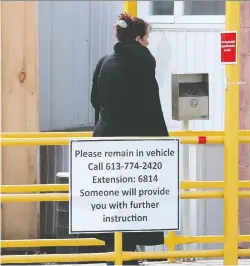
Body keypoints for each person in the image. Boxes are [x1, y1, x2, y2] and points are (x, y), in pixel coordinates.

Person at [88, 12, 168, 265]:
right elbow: (151, 107)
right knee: (136, 204)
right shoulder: (145, 65)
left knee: (111, 204)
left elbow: (95, 101)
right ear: (138, 39)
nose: (148, 43)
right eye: (147, 38)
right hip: (137, 145)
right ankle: (129, 257)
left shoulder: (104, 62)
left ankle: (116, 256)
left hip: (105, 144)